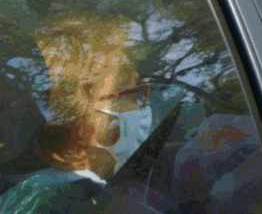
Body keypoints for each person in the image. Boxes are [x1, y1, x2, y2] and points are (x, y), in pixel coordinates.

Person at [0, 11, 154, 213]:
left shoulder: (23, 192)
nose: (144, 106)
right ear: (78, 112)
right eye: (131, 94)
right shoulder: (85, 201)